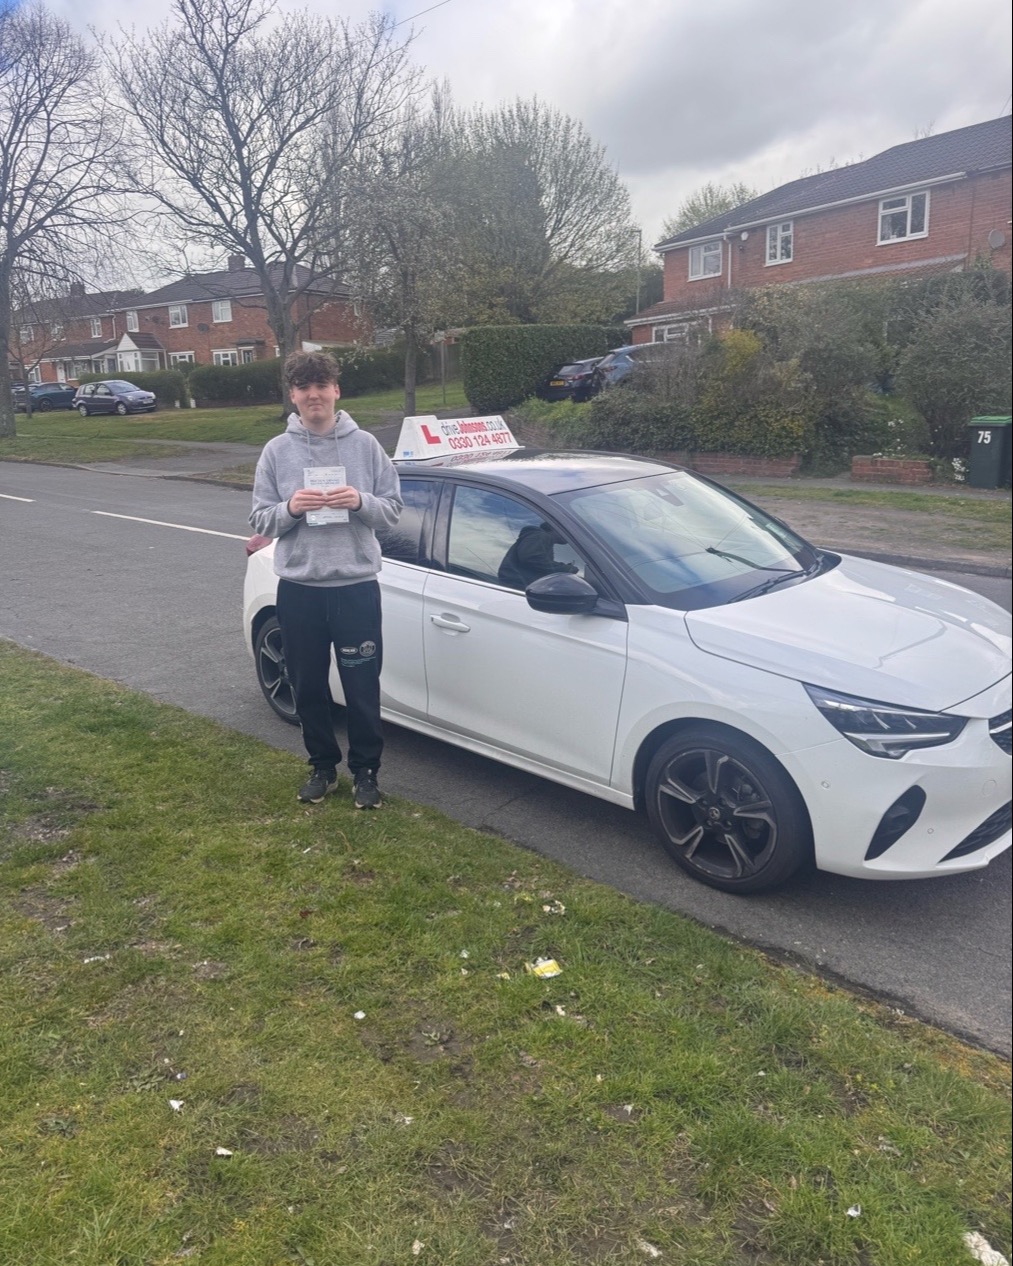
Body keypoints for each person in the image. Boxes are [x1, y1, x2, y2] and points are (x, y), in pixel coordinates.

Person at [250, 351, 403, 808]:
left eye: (322, 385)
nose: (313, 395)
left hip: (355, 589)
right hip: (300, 592)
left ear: (336, 390)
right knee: (309, 687)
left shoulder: (366, 446)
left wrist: (359, 500)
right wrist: (291, 509)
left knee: (361, 688)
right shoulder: (277, 451)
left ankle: (366, 773)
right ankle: (322, 767)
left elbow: (393, 511)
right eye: (304, 387)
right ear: (293, 396)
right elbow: (260, 517)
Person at [498, 521, 579, 589]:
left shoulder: (542, 538)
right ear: (556, 528)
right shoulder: (541, 536)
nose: (571, 535)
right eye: (568, 531)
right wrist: (565, 569)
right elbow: (532, 558)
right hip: (515, 586)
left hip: (517, 586)